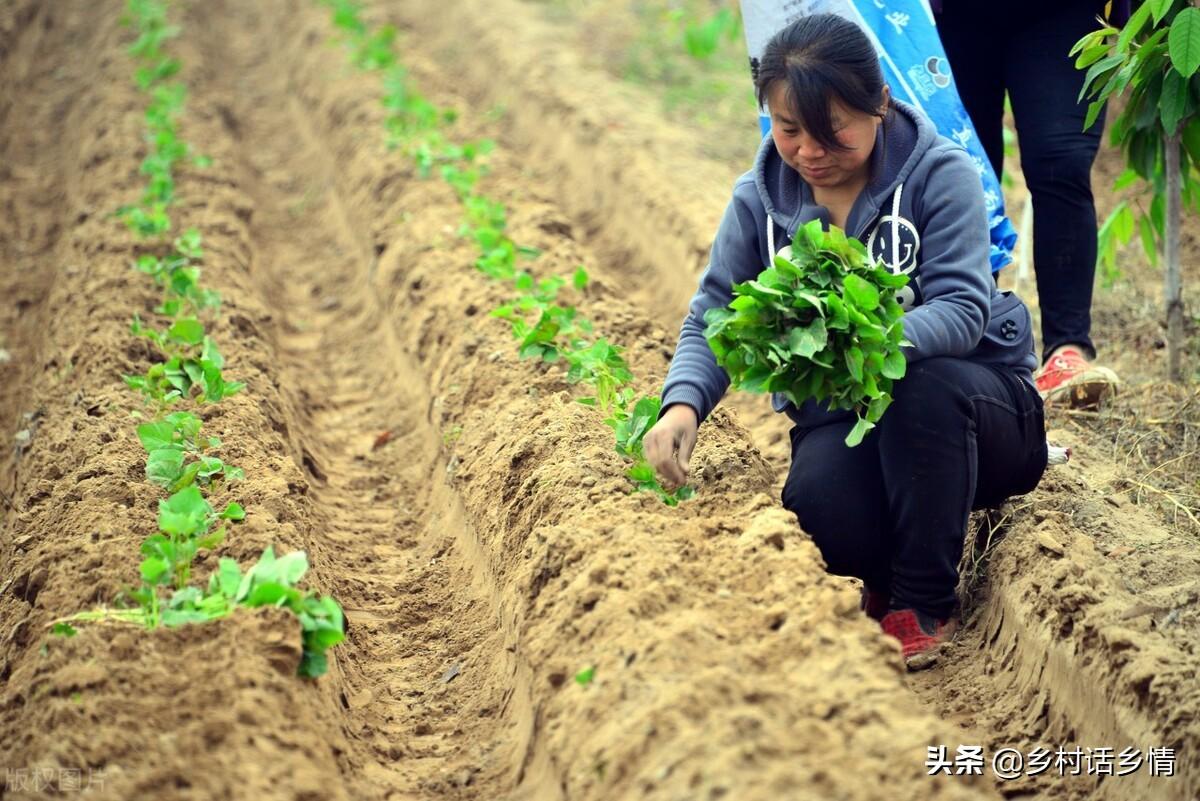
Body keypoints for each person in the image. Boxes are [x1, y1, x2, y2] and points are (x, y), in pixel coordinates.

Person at [644, 14, 1049, 670]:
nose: (808, 151)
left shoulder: (938, 175)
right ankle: (887, 565)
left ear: (879, 104)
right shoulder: (760, 201)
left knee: (920, 386)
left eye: (831, 131)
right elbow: (712, 314)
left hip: (978, 408)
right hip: (850, 414)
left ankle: (923, 596)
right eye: (788, 129)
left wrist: (859, 336)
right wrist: (682, 405)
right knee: (820, 509)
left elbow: (963, 308)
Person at [934, 0, 1124, 406]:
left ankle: (1066, 351)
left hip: (1060, 12)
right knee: (954, 169)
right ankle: (971, 342)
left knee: (1062, 161)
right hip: (949, 16)